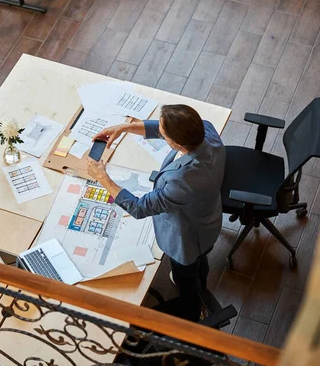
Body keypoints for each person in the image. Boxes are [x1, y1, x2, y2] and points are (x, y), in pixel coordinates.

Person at [86, 104, 226, 322]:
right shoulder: (207, 132)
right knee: (200, 260)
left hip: (187, 239)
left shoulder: (183, 181)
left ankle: (193, 312)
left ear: (175, 143)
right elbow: (170, 130)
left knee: (186, 276)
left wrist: (102, 177)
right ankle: (200, 282)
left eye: (163, 133)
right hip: (208, 219)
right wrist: (124, 128)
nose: (160, 133)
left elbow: (139, 208)